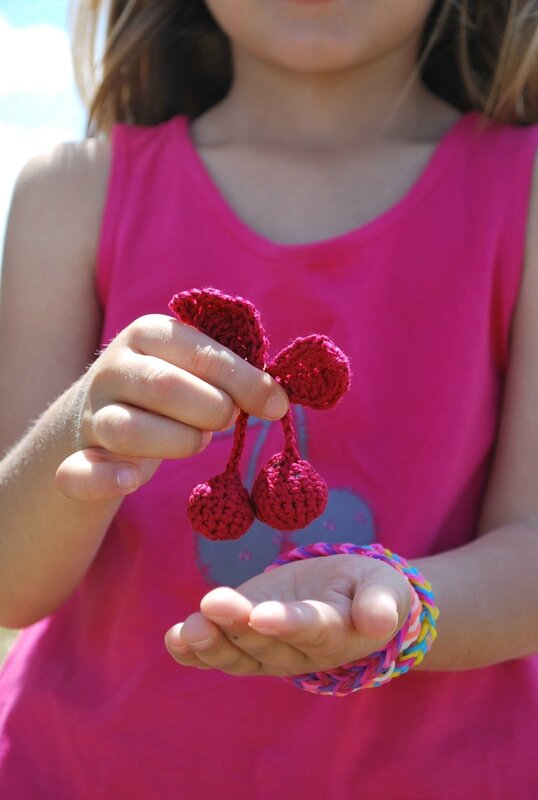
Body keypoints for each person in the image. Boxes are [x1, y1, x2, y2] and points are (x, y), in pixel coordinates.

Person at [1, 0, 537, 795]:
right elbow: (13, 579)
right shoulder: (71, 192)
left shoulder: (523, 192)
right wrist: (83, 432)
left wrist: (402, 605)